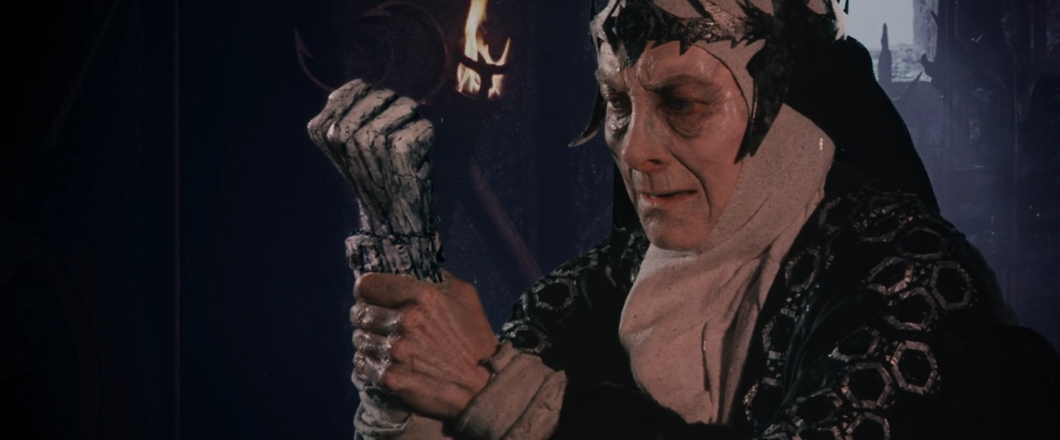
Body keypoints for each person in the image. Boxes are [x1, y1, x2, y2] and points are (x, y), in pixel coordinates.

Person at [326, 1, 1060, 439]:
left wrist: (507, 396)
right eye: (619, 105)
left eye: (682, 102)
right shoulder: (606, 282)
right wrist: (404, 270)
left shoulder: (907, 276)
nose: (633, 149)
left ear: (789, 114)